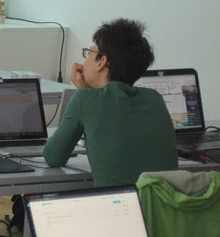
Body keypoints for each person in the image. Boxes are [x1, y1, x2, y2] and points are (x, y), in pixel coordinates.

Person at [43, 18, 178, 186]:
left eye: (89, 53)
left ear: (102, 61)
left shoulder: (84, 99)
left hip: (119, 208)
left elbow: (54, 156)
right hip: (162, 207)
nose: (84, 61)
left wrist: (84, 92)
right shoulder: (154, 98)